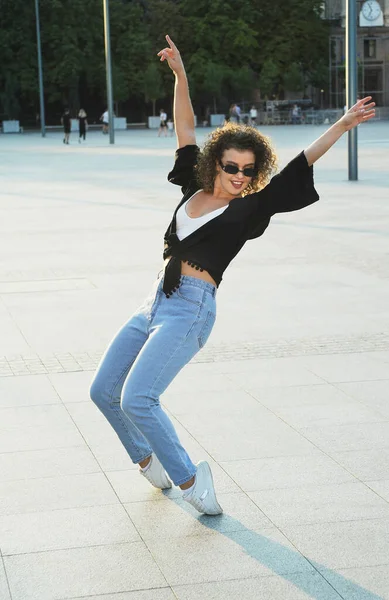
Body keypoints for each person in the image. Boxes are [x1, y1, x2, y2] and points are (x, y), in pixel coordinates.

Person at [89, 35, 375, 516]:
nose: (240, 176)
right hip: (157, 299)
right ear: (214, 163)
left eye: (248, 169)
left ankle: (190, 480)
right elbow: (185, 127)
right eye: (231, 167)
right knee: (103, 391)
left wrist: (342, 124)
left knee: (139, 397)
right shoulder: (192, 184)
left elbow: (300, 166)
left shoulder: (248, 209)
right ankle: (147, 461)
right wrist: (181, 77)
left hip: (192, 307)